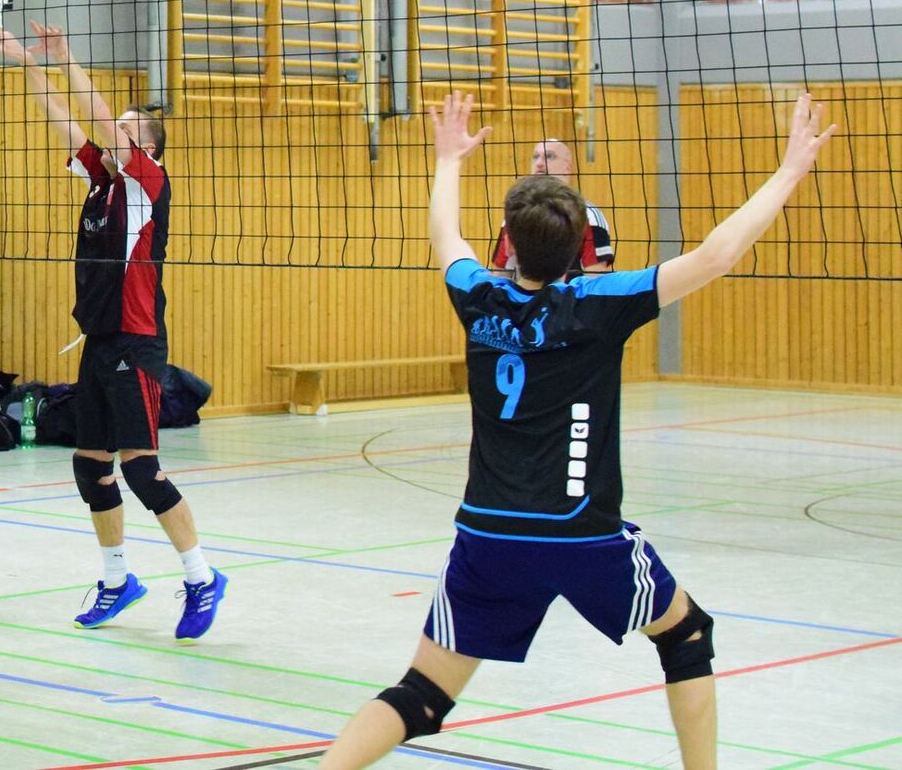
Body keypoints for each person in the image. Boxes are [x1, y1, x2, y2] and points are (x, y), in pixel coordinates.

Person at [319, 91, 837, 770]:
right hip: (580, 534)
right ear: (583, 251)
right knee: (687, 636)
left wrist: (449, 159)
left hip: (486, 533)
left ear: (510, 243)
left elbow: (445, 236)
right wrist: (791, 169)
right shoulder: (598, 303)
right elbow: (717, 253)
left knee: (422, 693)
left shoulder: (478, 295)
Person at [0, 19, 228, 641]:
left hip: (136, 342)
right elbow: (64, 119)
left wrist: (70, 57)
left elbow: (91, 113)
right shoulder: (103, 184)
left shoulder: (148, 182)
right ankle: (119, 579)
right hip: (98, 340)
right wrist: (27, 60)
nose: (111, 134)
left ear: (146, 148)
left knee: (141, 468)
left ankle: (202, 577)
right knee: (90, 466)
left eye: (125, 129)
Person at [491, 138, 614, 276]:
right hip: (526, 297)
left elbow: (595, 280)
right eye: (535, 157)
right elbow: (500, 276)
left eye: (549, 156)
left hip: (569, 297)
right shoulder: (517, 213)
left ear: (567, 168)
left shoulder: (589, 215)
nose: (539, 163)